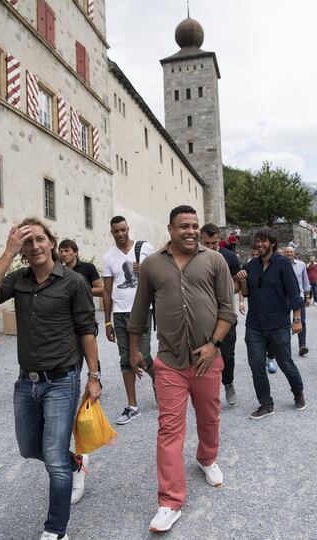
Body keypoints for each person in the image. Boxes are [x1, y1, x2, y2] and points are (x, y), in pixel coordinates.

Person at [0, 218, 101, 540]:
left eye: (40, 239)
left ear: (52, 242)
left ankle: (55, 530)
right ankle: (75, 463)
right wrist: (8, 251)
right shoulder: (18, 280)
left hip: (62, 381)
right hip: (27, 382)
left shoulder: (73, 282)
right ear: (23, 250)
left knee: (52, 458)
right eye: (27, 242)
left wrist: (93, 377)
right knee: (28, 448)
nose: (35, 245)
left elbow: (87, 330)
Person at [129, 205, 236, 532]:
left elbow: (228, 311)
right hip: (170, 362)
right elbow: (139, 310)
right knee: (169, 429)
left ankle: (207, 458)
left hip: (207, 359)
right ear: (170, 229)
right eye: (183, 227)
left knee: (209, 416)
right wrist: (134, 349)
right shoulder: (151, 265)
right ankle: (169, 501)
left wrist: (213, 345)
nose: (190, 231)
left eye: (194, 226)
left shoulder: (214, 260)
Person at [237, 226, 306, 419]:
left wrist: (297, 319)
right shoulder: (251, 265)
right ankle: (266, 404)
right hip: (254, 325)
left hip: (278, 324)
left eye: (263, 241)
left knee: (285, 363)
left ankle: (298, 392)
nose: (259, 244)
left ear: (272, 243)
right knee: (256, 365)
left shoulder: (283, 263)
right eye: (257, 241)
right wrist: (242, 281)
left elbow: (293, 292)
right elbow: (247, 292)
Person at [58, 238, 103, 504]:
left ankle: (91, 385)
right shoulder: (57, 273)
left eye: (67, 250)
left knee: (86, 360)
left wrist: (82, 286)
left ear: (75, 253)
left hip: (84, 326)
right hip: (64, 335)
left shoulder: (85, 269)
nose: (64, 254)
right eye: (61, 250)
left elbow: (100, 289)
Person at [102, 216, 154, 425]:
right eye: (116, 231)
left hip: (142, 309)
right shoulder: (108, 257)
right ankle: (132, 406)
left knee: (144, 355)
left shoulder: (145, 248)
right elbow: (106, 291)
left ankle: (160, 383)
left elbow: (160, 274)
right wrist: (107, 322)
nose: (121, 233)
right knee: (125, 359)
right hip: (120, 313)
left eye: (123, 229)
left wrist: (146, 271)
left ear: (128, 229)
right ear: (112, 232)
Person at [200, 223, 248, 405]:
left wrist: (225, 293)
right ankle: (205, 392)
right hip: (203, 317)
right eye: (207, 243)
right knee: (203, 354)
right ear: (200, 240)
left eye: (214, 243)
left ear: (219, 240)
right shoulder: (193, 257)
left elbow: (238, 283)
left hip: (225, 315)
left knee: (227, 355)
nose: (211, 247)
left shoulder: (229, 257)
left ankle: (228, 383)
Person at [284, 247, 311, 355]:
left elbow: (305, 281)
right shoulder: (280, 265)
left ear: (294, 253)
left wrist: (307, 296)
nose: (289, 253)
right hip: (284, 298)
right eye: (287, 252)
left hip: (299, 297)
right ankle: (284, 347)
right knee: (284, 323)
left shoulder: (301, 265)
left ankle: (302, 346)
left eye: (291, 252)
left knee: (302, 321)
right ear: (284, 253)